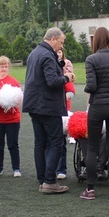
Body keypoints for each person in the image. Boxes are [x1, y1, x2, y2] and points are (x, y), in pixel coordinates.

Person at [22, 27, 74, 194]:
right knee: (56, 141)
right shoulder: (46, 55)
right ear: (52, 39)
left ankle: (42, 178)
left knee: (40, 143)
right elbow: (52, 82)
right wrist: (67, 77)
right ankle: (50, 181)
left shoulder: (35, 53)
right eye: (61, 42)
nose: (61, 46)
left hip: (34, 104)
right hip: (48, 106)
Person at [80, 27, 109, 201]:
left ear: (95, 40)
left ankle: (90, 189)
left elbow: (91, 86)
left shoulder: (91, 59)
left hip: (98, 105)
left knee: (92, 147)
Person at [0, 56, 22, 178]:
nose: (3, 68)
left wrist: (11, 101)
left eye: (6, 66)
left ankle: (16, 168)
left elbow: (19, 100)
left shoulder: (14, 82)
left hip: (12, 119)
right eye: (1, 66)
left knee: (13, 144)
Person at [56, 48, 76, 179]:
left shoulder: (65, 76)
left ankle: (61, 170)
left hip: (63, 111)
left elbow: (71, 92)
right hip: (50, 112)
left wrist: (63, 96)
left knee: (60, 142)